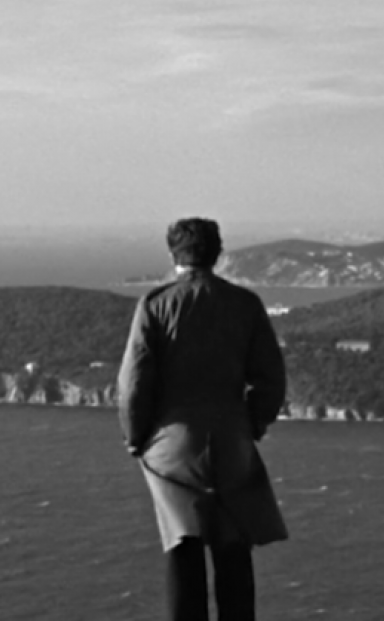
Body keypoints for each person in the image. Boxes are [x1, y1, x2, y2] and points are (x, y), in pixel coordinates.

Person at [117, 217, 288, 621]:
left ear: (172, 254)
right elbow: (272, 378)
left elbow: (133, 384)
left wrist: (136, 437)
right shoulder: (245, 304)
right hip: (232, 439)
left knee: (182, 546)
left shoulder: (155, 305)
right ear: (218, 253)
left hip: (170, 448)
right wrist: (253, 424)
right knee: (234, 548)